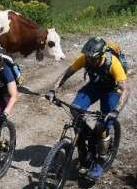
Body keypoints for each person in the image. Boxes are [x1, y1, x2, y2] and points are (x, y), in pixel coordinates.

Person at [45, 37, 130, 180]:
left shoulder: (113, 63)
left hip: (112, 91)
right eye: (88, 57)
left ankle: (100, 161)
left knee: (103, 125)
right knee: (75, 109)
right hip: (95, 86)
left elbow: (126, 89)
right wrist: (53, 90)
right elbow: (67, 73)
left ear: (101, 55)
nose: (89, 60)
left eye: (93, 58)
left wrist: (115, 111)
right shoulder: (85, 58)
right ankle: (85, 137)